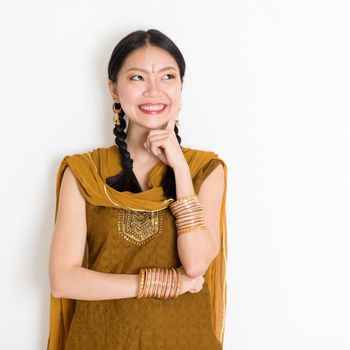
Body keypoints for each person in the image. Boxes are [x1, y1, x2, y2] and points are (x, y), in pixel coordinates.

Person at [47, 28, 228, 350]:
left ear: (181, 87)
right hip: (101, 339)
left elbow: (197, 265)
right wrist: (166, 283)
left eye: (168, 77)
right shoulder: (85, 172)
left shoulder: (204, 170)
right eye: (137, 78)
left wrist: (180, 171)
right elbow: (64, 280)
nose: (154, 91)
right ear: (114, 90)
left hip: (184, 340)